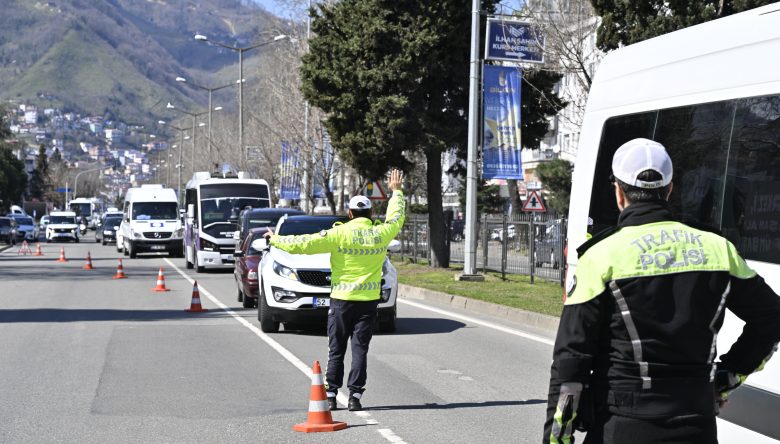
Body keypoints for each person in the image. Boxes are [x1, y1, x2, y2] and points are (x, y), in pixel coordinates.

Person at [544, 138, 780, 443]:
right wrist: (727, 377)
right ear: (669, 190)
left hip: (621, 426)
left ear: (618, 192)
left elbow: (571, 361)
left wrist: (557, 439)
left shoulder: (602, 256)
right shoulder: (719, 248)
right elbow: (772, 318)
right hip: (696, 425)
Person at [265, 169, 405, 412]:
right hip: (368, 302)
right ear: (370, 214)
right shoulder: (380, 234)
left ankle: (330, 395)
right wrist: (397, 192)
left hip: (341, 301)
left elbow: (304, 243)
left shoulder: (339, 233)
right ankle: (355, 397)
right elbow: (396, 219)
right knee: (360, 350)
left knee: (336, 348)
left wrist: (275, 239)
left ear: (349, 214)